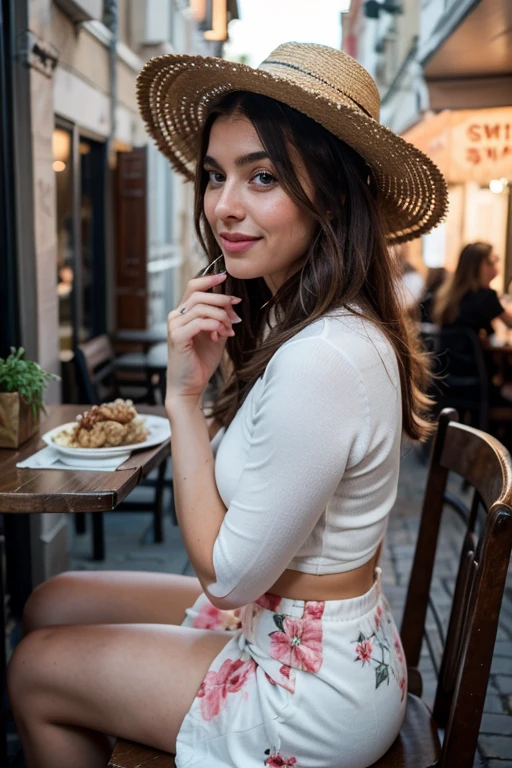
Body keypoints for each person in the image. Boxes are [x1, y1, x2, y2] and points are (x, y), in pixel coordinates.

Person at [7, 43, 448, 768]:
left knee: (36, 665)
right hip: (301, 626)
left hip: (307, 688)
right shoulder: (300, 321)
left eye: (262, 177)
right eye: (215, 176)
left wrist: (182, 399)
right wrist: (209, 389)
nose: (223, 208)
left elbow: (227, 573)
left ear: (334, 195)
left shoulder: (322, 357)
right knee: (51, 602)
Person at [432, 242, 512, 335]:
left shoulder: (450, 294)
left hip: (445, 349)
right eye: (490, 263)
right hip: (469, 349)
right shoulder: (485, 296)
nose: (495, 267)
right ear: (476, 267)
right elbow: (510, 322)